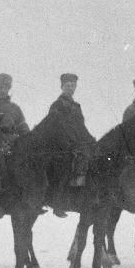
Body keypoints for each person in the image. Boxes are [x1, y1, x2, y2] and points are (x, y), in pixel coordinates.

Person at [47, 73, 96, 217]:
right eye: (67, 86)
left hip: (77, 143)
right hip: (60, 144)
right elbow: (52, 127)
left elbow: (81, 127)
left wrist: (91, 140)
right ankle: (58, 203)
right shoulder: (56, 105)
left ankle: (83, 198)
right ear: (62, 87)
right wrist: (67, 143)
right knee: (65, 165)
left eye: (73, 86)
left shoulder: (76, 106)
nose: (70, 88)